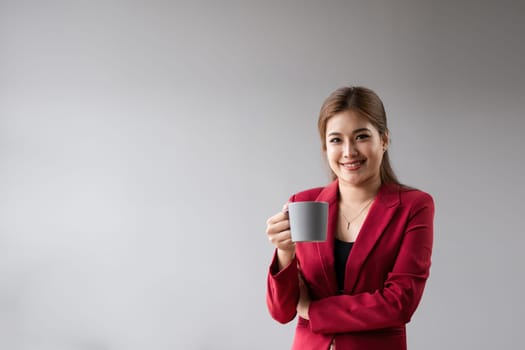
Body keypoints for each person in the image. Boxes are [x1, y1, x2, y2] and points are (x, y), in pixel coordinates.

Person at [265, 86, 434, 350]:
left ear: (384, 139)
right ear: (325, 146)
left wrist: (313, 310)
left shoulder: (413, 206)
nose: (348, 151)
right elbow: (281, 312)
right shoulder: (303, 203)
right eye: (336, 140)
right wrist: (285, 253)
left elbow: (401, 302)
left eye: (361, 136)